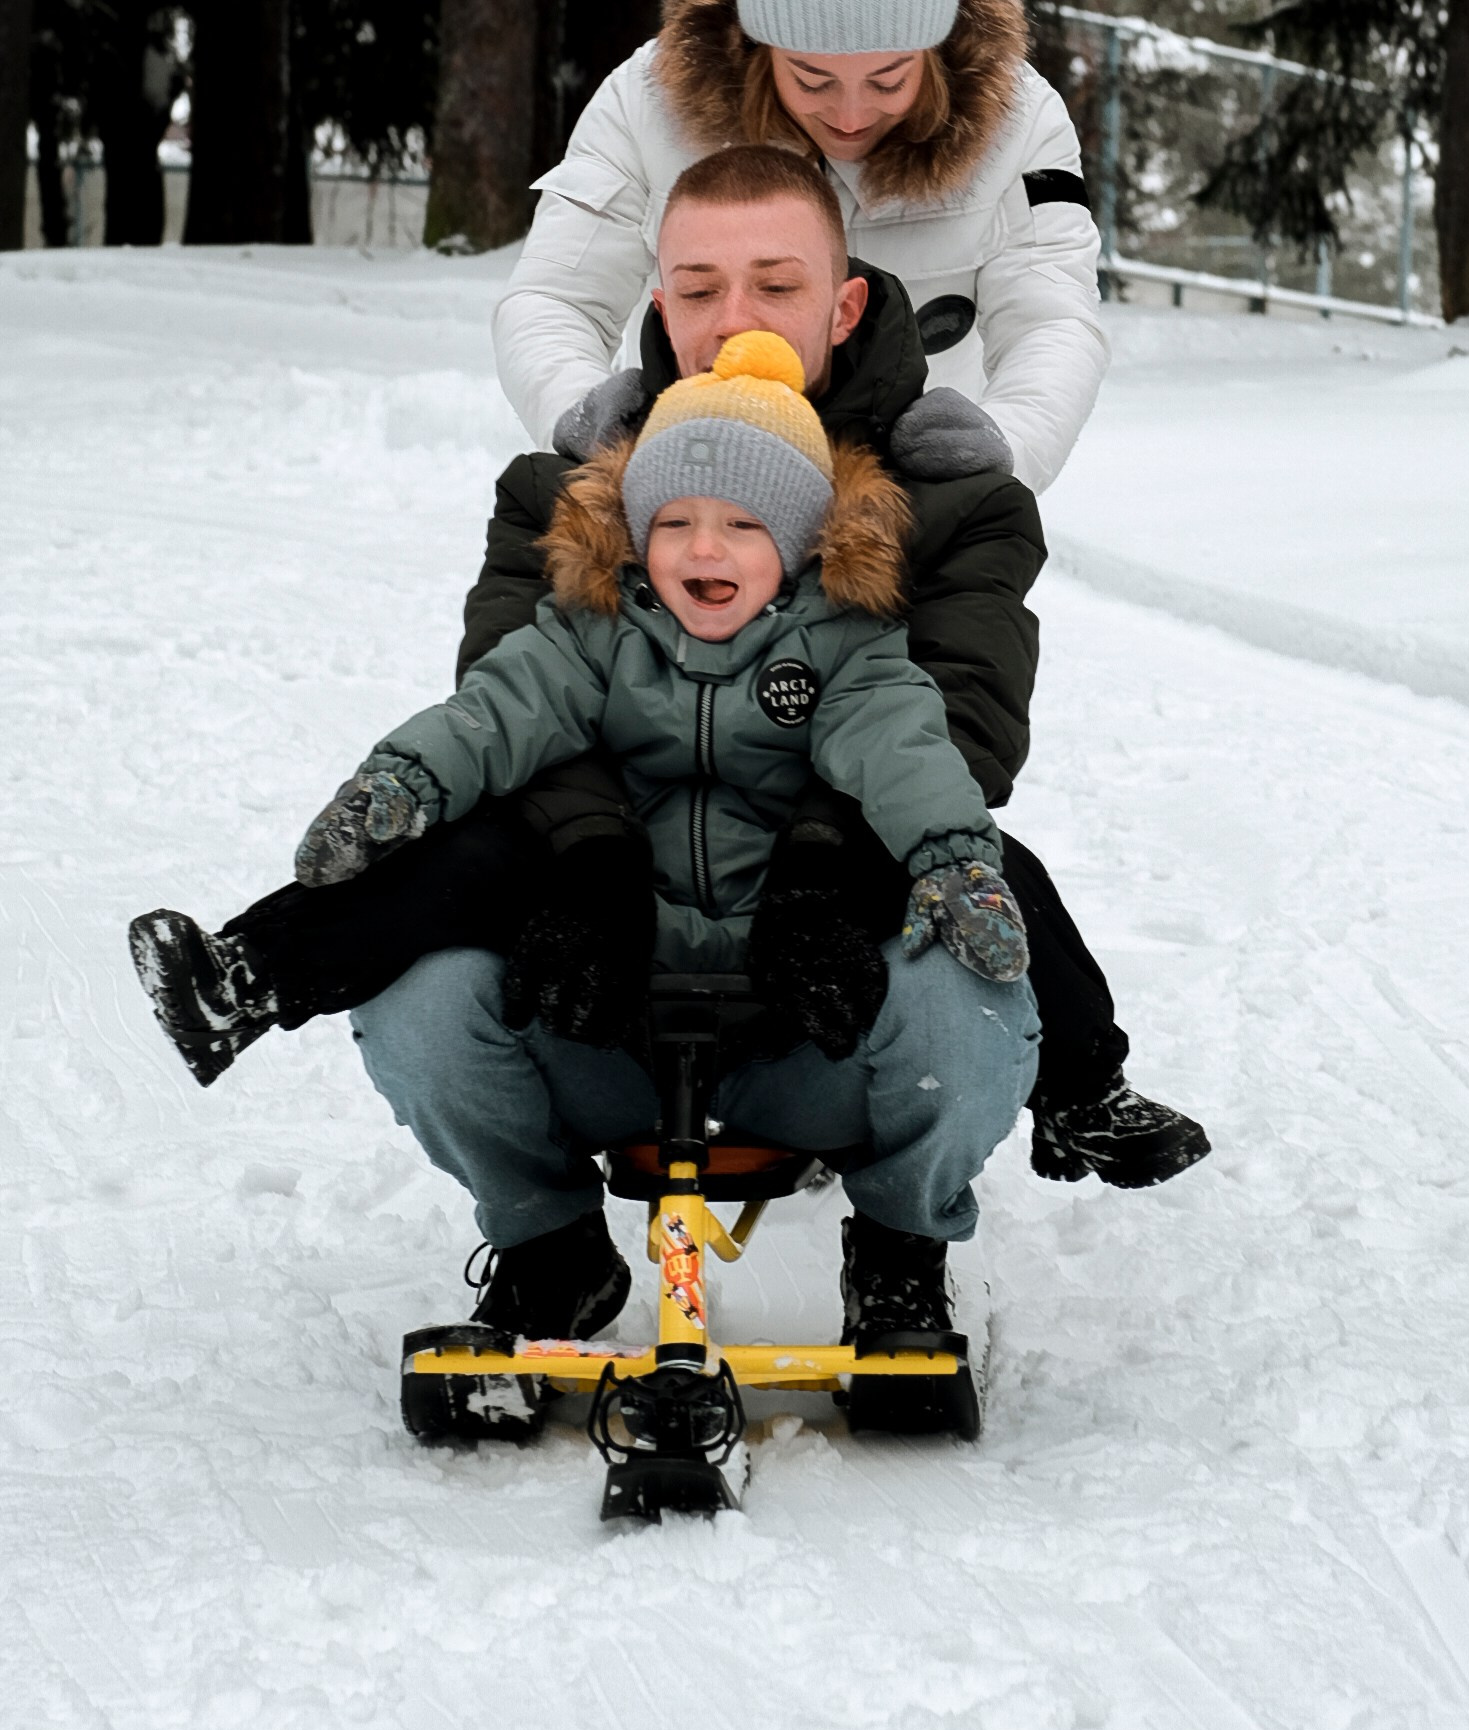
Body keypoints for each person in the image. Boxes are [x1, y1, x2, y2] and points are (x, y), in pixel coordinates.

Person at [130, 334, 1041, 1349]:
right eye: (675, 522)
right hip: (608, 1009)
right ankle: (549, 1253)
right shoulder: (587, 633)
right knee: (422, 994)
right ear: (635, 531)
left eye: (743, 525)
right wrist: (404, 781)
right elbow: (494, 711)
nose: (703, 550)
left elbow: (909, 758)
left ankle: (901, 1256)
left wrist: (954, 863)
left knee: (971, 1000)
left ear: (798, 540)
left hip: (803, 1021)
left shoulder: (852, 646)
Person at [465, 145, 1208, 1188]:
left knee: (989, 878)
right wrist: (587, 856)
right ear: (660, 301)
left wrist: (822, 862)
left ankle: (977, 1165)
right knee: (440, 906)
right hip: (630, 861)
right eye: (699, 288)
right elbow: (503, 701)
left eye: (776, 285)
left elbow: (965, 723)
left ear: (844, 305)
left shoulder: (951, 493)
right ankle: (544, 1239)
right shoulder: (572, 488)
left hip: (848, 850)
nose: (734, 321)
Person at [494, 0, 1105, 496]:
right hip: (701, 489)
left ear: (935, 53)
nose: (849, 114)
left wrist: (1003, 452)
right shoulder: (648, 101)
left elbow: (1053, 322)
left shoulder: (1021, 121)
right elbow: (553, 298)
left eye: (889, 78)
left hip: (917, 498)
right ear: (758, 47)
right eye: (811, 79)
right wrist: (580, 415)